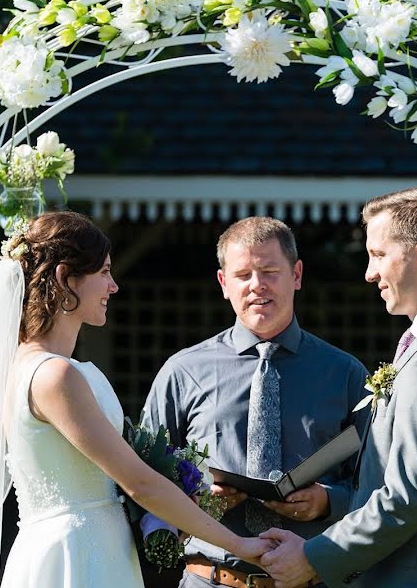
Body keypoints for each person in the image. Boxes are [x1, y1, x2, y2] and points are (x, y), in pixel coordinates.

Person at [0, 211, 271, 588]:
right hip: (74, 558)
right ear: (65, 278)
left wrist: (195, 496)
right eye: (104, 272)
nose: (113, 286)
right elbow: (139, 483)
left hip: (97, 548)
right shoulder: (54, 376)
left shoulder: (42, 367)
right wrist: (241, 544)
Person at [260, 187, 417, 587]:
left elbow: (407, 500)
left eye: (378, 255)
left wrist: (314, 556)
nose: (369, 273)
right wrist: (330, 502)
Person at [141, 216, 369, 588]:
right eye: (243, 274)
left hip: (312, 578)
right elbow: (144, 478)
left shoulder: (345, 375)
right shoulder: (183, 372)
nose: (256, 285)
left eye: (269, 271)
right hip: (210, 578)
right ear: (223, 283)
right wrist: (194, 498)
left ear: (296, 275)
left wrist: (329, 501)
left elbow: (378, 484)